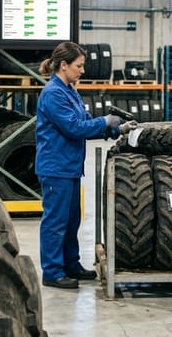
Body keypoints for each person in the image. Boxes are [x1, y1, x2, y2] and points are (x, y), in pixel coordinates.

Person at [36, 42, 122, 289]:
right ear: (64, 65)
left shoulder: (70, 90)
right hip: (56, 168)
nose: (82, 71)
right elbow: (73, 128)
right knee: (56, 222)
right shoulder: (53, 93)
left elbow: (84, 122)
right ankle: (52, 272)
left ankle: (70, 264)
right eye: (79, 66)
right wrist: (105, 121)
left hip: (70, 167)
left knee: (72, 220)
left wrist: (114, 130)